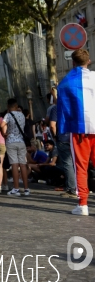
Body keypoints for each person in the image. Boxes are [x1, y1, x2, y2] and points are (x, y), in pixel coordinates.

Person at [56, 48, 95, 215]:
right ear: (89, 61)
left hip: (79, 129)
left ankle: (83, 204)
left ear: (72, 62)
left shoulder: (65, 82)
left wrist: (63, 127)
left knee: (81, 166)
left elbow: (63, 109)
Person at [0, 98, 30, 196]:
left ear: (8, 106)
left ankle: (16, 188)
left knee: (14, 165)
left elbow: (2, 124)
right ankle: (26, 188)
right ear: (17, 106)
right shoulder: (22, 115)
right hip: (21, 141)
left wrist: (5, 134)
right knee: (23, 164)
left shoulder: (8, 115)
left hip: (11, 141)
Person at [48, 96, 77, 198]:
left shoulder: (56, 108)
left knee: (67, 164)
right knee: (77, 164)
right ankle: (80, 187)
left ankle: (71, 189)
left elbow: (52, 125)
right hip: (75, 138)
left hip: (63, 138)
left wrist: (55, 136)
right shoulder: (74, 107)